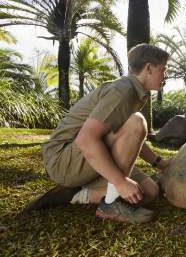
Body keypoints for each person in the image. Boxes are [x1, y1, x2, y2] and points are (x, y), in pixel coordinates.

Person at [25, 43, 171, 224]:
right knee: (137, 122)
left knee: (150, 191)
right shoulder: (123, 91)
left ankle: (77, 194)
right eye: (163, 69)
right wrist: (119, 182)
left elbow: (131, 138)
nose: (166, 76)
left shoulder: (135, 92)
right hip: (62, 159)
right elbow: (86, 139)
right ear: (149, 68)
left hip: (84, 156)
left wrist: (159, 162)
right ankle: (110, 204)